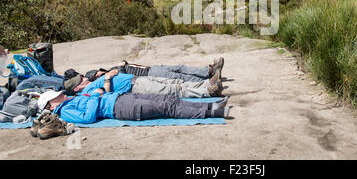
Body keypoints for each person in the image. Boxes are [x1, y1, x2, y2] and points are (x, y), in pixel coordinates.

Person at [36, 89, 230, 125]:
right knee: (167, 108)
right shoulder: (66, 112)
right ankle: (212, 112)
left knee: (169, 99)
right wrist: (93, 97)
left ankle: (211, 104)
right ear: (51, 104)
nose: (61, 95)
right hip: (120, 109)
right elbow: (87, 118)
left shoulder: (68, 101)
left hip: (121, 97)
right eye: (57, 96)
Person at [64, 58, 225, 98]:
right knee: (173, 87)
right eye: (81, 79)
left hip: (140, 78)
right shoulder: (89, 89)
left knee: (176, 80)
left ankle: (207, 80)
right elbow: (105, 96)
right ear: (77, 87)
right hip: (137, 85)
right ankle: (208, 91)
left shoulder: (98, 78)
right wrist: (107, 77)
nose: (84, 78)